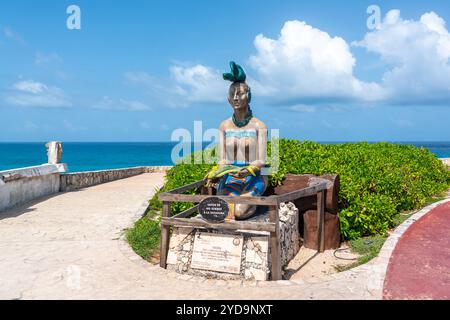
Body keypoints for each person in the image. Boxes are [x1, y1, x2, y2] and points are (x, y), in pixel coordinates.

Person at [205, 61, 268, 220]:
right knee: (221, 209)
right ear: (228, 98)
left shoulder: (259, 126)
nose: (235, 97)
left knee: (239, 211)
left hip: (253, 177)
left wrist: (248, 170)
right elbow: (223, 159)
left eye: (240, 93)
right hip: (230, 177)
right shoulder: (224, 126)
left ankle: (249, 200)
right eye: (232, 94)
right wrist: (215, 172)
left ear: (249, 96)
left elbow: (262, 160)